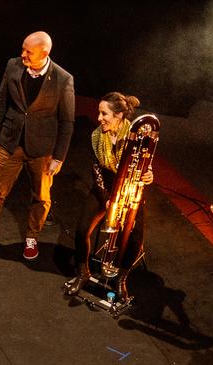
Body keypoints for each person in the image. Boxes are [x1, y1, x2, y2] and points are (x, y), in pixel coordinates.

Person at [0, 31, 75, 260]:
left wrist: (59, 157)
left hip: (42, 149)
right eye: (23, 49)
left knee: (41, 197)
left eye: (28, 51)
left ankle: (32, 236)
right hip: (10, 141)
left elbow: (67, 122)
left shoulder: (63, 79)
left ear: (44, 53)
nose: (22, 54)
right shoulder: (13, 66)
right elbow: (0, 101)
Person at [65, 92, 153, 302]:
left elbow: (145, 163)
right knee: (82, 229)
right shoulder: (97, 136)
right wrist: (106, 198)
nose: (99, 118)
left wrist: (149, 174)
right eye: (99, 112)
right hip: (105, 186)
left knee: (135, 237)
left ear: (119, 115)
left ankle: (121, 278)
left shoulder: (136, 135)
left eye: (104, 114)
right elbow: (96, 170)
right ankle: (83, 272)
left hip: (130, 189)